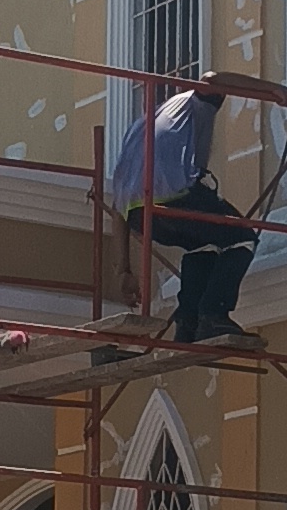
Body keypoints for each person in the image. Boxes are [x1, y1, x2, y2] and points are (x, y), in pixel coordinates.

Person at [108, 73, 263, 349]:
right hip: (174, 197)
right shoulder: (195, 103)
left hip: (140, 214)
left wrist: (123, 270)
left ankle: (189, 324)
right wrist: (279, 92)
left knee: (202, 245)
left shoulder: (143, 127)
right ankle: (213, 315)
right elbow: (212, 79)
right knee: (242, 238)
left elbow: (117, 210)